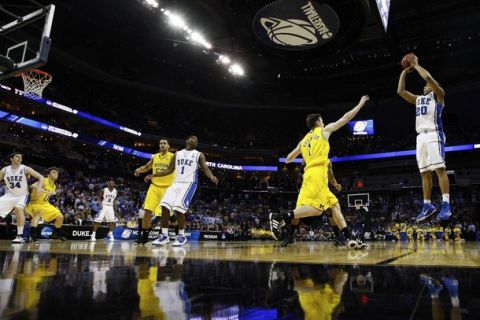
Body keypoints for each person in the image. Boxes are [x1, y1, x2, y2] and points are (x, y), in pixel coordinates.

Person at [270, 96, 370, 249]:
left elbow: (288, 159)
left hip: (308, 175)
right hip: (317, 174)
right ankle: (280, 216)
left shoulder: (303, 140)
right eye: (322, 120)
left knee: (334, 205)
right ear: (318, 122)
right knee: (317, 210)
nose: (323, 122)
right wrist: (360, 104)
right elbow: (345, 118)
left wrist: (305, 155)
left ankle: (350, 238)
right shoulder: (324, 130)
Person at [397, 53, 451, 221]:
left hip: (434, 134)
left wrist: (416, 64)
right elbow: (400, 91)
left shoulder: (439, 95)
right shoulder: (419, 99)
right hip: (420, 137)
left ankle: (446, 204)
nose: (425, 85)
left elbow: (427, 76)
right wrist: (405, 72)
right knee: (424, 173)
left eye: (429, 84)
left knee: (439, 170)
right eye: (425, 85)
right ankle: (427, 205)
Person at [146, 135, 218, 247]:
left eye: (196, 139)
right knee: (164, 206)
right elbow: (169, 170)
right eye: (192, 138)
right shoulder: (177, 154)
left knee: (178, 209)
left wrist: (211, 176)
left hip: (189, 184)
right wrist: (153, 175)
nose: (195, 140)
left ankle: (181, 236)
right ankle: (164, 236)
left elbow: (205, 168)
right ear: (187, 140)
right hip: (176, 183)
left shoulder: (199, 154)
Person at [134, 139, 175, 245]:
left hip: (167, 188)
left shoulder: (173, 157)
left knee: (163, 215)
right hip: (154, 187)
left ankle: (163, 236)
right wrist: (139, 169)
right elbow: (147, 167)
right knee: (147, 212)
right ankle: (144, 236)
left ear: (168, 146)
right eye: (160, 143)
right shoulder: (155, 156)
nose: (162, 145)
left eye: (164, 143)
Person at [0, 152, 44, 243]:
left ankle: (19, 235)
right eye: (17, 157)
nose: (19, 158)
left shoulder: (25, 168)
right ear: (11, 159)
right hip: (9, 195)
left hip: (22, 195)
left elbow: (41, 177)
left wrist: (39, 188)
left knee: (18, 209)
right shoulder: (4, 170)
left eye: (20, 157)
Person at [25, 167, 67, 242]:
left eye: (57, 173)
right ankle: (32, 235)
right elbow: (32, 186)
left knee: (60, 216)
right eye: (54, 172)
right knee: (38, 212)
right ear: (48, 174)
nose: (56, 173)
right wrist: (48, 192)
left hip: (45, 204)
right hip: (34, 203)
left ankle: (56, 233)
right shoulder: (44, 180)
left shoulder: (54, 186)